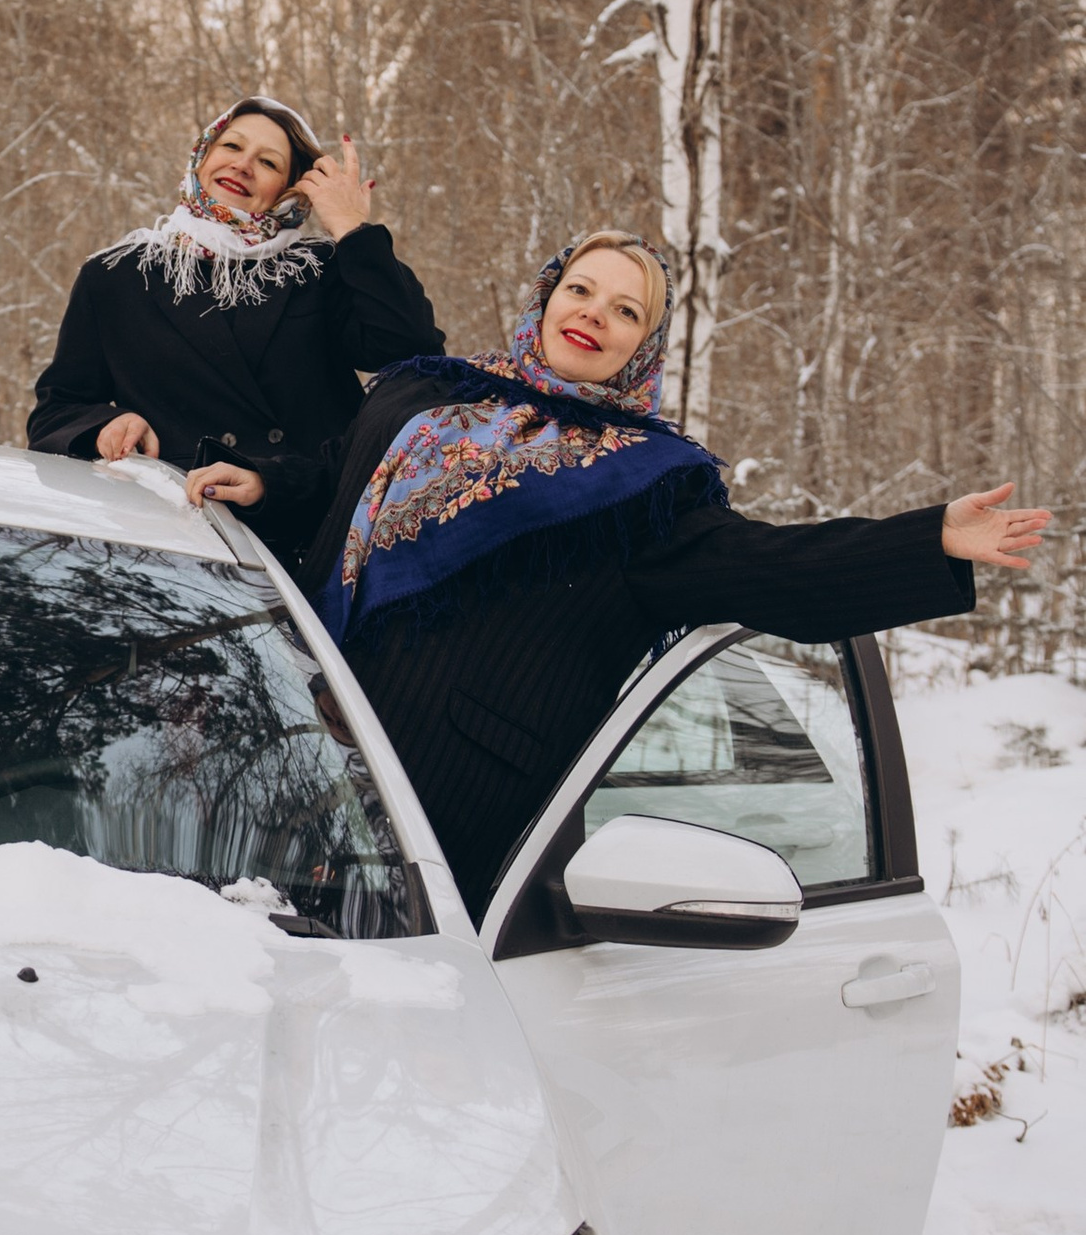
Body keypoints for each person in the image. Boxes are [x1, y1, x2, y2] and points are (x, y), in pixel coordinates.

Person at [188, 232, 1050, 918]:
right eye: (581, 290)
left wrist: (931, 540)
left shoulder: (647, 485)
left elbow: (771, 569)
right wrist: (268, 482)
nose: (594, 315)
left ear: (646, 344)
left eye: (626, 310)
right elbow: (344, 475)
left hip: (439, 796)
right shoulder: (431, 394)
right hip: (289, 736)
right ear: (547, 297)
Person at [27, 94, 440, 485]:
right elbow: (57, 409)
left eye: (268, 162)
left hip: (312, 513)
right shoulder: (118, 273)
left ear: (290, 188)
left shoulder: (319, 268)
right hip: (181, 514)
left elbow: (413, 351)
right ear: (202, 155)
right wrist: (106, 425)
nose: (242, 165)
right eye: (231, 146)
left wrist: (352, 228)